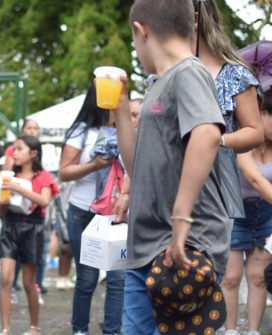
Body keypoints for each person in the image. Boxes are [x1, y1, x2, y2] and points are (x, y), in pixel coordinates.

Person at [117, 0, 230, 333]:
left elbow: (208, 133)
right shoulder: (157, 85)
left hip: (184, 247)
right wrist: (121, 106)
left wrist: (181, 219)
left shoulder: (188, 72)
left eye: (134, 41)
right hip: (149, 247)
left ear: (142, 31)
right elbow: (139, 168)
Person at [192, 1, 266, 333]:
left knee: (224, 275)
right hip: (171, 190)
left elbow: (254, 133)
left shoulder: (234, 74)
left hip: (219, 195)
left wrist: (216, 141)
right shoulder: (163, 74)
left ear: (196, 20)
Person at [59, 84, 125, 335]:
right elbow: (65, 172)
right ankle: (80, 330)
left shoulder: (126, 128)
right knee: (87, 278)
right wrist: (96, 164)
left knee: (118, 278)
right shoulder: (81, 131)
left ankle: (112, 331)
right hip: (83, 211)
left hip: (116, 212)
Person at [0, 135, 59, 335]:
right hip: (9, 226)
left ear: (33, 153)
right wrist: (2, 204)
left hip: (32, 229)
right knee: (5, 279)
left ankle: (34, 326)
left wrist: (18, 189)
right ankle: (5, 328)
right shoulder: (8, 176)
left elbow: (44, 201)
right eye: (13, 149)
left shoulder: (44, 176)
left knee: (28, 282)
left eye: (19, 149)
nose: (14, 153)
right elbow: (0, 210)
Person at [224, 90, 272, 335]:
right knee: (231, 277)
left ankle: (252, 331)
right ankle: (230, 330)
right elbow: (252, 177)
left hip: (266, 213)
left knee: (258, 276)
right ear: (261, 115)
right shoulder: (243, 138)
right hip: (235, 212)